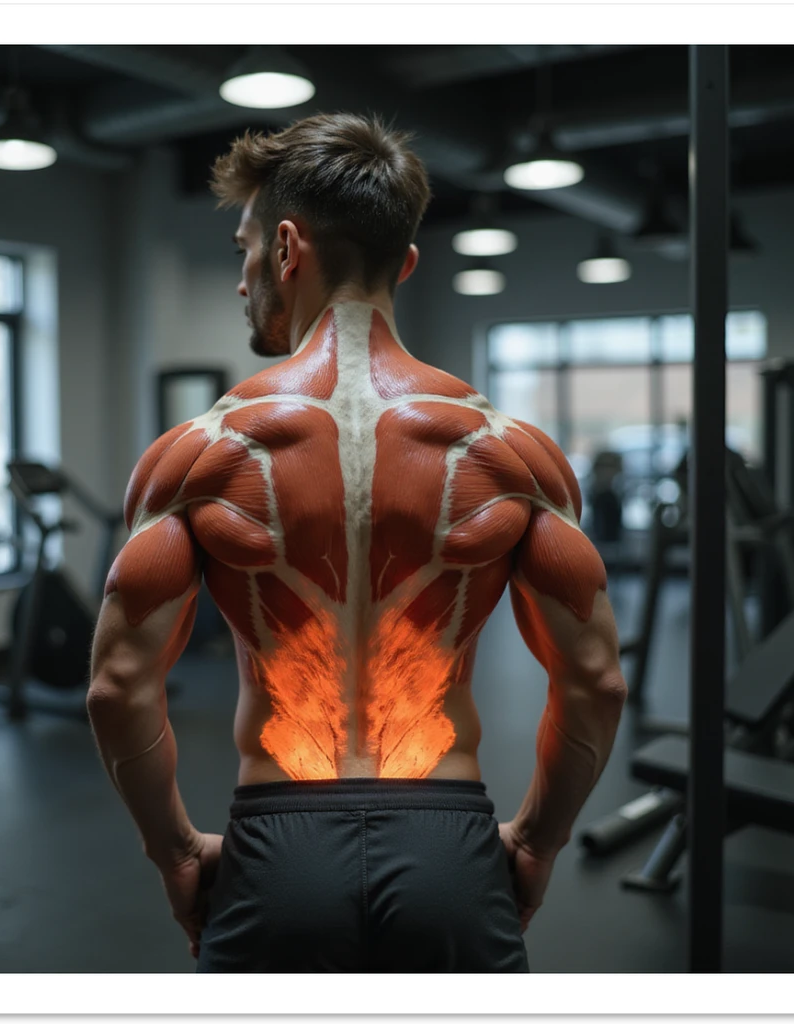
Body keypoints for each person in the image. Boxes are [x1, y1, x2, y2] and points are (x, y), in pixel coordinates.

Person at [87, 113, 628, 973]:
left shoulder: (202, 453)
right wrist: (536, 840)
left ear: (286, 248)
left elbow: (118, 686)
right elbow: (596, 679)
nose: (242, 281)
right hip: (449, 844)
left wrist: (177, 853)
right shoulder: (509, 453)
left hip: (277, 849)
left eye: (244, 250)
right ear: (404, 263)